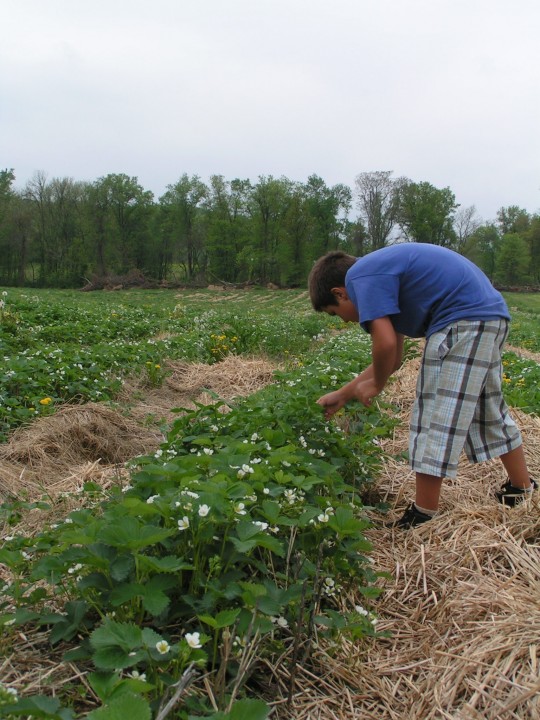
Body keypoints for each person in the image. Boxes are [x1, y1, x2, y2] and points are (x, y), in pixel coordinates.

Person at [308, 244, 536, 528]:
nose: (343, 319)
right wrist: (344, 394)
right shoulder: (381, 274)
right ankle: (521, 488)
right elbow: (394, 357)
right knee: (488, 409)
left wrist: (377, 384)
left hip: (461, 322)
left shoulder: (360, 277)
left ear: (339, 293)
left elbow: (386, 345)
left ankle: (424, 513)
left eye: (335, 312)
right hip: (488, 317)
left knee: (434, 417)